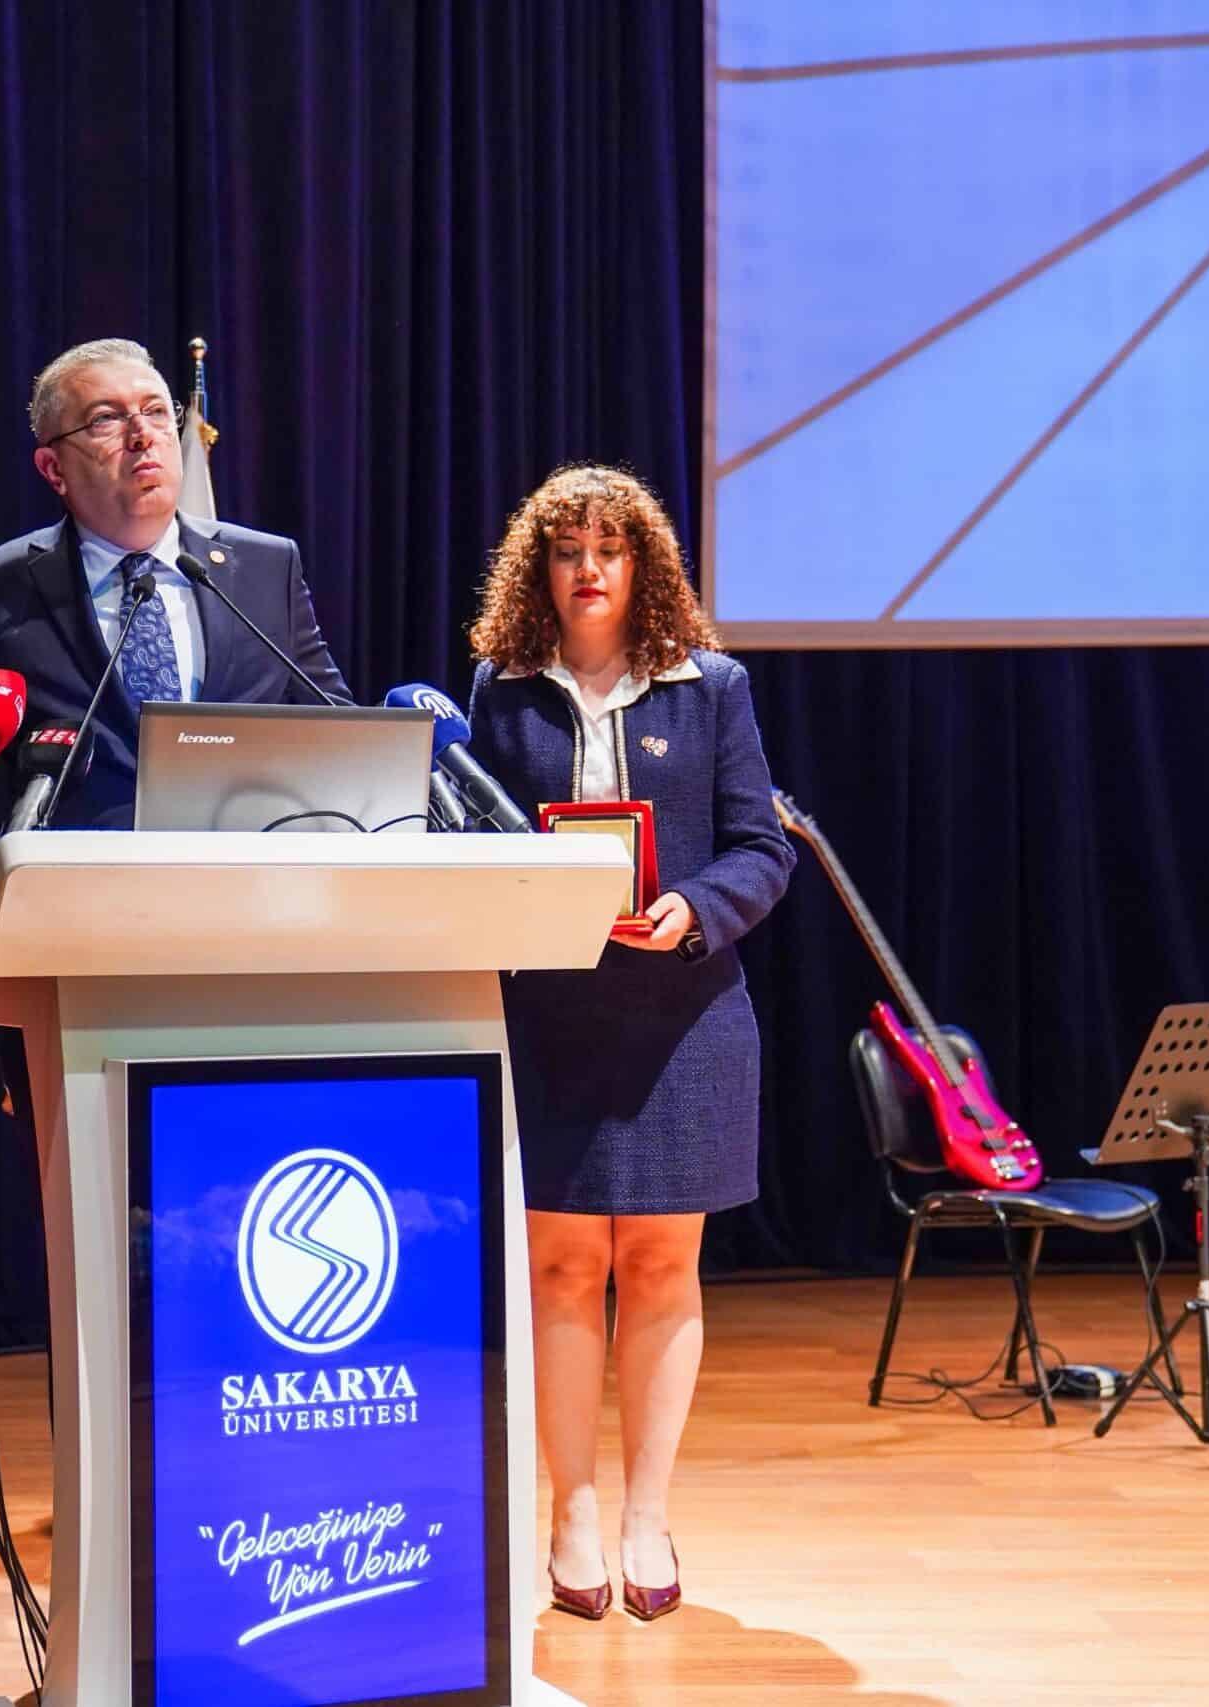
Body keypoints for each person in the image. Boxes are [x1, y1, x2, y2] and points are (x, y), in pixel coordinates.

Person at [463, 464, 792, 1622]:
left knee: (659, 1268)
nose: (589, 569)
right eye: (568, 551)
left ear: (643, 565)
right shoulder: (499, 690)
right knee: (561, 1270)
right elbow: (472, 846)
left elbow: (761, 847)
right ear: (539, 571)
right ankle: (573, 1511)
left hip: (682, 1014)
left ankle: (648, 1513)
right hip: (549, 1014)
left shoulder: (711, 687)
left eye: (610, 549)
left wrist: (695, 905)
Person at [0, 337, 350, 980]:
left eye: (156, 411)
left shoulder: (263, 569)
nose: (143, 436)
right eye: (106, 420)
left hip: (257, 930)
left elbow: (342, 735)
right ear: (53, 468)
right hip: (76, 941)